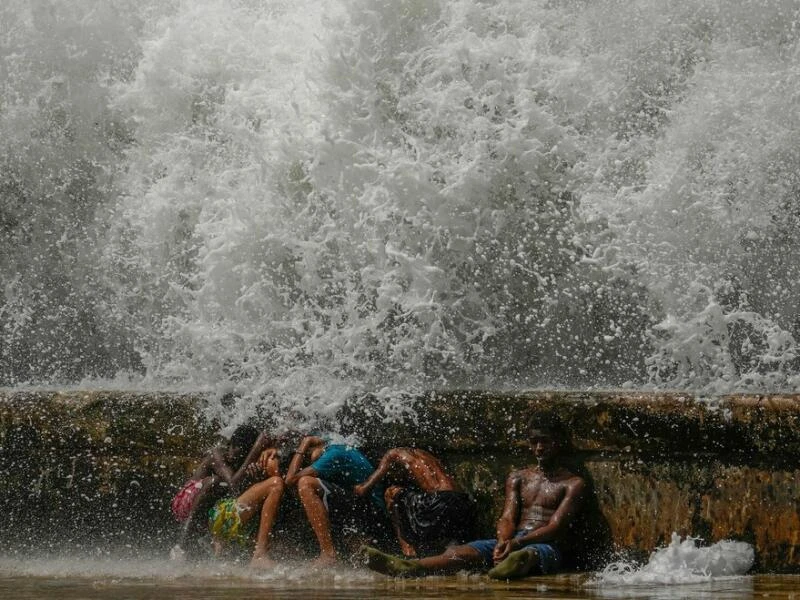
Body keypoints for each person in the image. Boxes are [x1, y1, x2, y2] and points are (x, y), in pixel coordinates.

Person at [362, 416, 586, 579]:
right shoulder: (518, 477)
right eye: (534, 442)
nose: (538, 448)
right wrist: (503, 541)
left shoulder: (573, 483)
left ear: (558, 442)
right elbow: (507, 517)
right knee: (459, 552)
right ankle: (411, 566)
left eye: (545, 441)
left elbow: (557, 526)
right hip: (512, 539)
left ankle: (512, 564)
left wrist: (517, 543)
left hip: (547, 545)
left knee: (529, 555)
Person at [170, 424, 272, 560]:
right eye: (237, 448)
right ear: (230, 444)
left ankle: (213, 545)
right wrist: (254, 452)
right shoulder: (217, 454)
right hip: (186, 502)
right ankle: (182, 544)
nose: (238, 454)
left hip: (213, 507)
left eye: (245, 452)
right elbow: (233, 484)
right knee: (216, 481)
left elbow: (237, 493)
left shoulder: (243, 461)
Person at [282, 434, 386, 566]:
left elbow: (290, 480)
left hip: (371, 511)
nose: (312, 461)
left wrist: (304, 444)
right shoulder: (337, 446)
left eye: (309, 454)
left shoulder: (333, 454)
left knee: (305, 483)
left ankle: (328, 555)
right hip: (364, 505)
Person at [354, 447, 475, 557]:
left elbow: (363, 489)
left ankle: (408, 551)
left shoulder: (392, 454)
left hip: (439, 501)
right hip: (462, 501)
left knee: (391, 492)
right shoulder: (425, 455)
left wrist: (355, 487)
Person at [207, 442, 287, 567]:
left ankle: (220, 550)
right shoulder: (258, 461)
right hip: (224, 514)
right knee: (276, 483)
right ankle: (259, 554)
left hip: (231, 523)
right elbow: (234, 488)